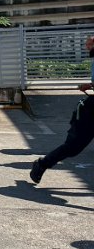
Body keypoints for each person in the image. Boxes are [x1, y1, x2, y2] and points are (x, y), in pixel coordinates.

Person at [30, 35, 94, 184]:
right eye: (88, 45)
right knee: (73, 147)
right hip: (91, 111)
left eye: (90, 45)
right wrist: (90, 85)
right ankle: (42, 164)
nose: (87, 48)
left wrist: (90, 85)